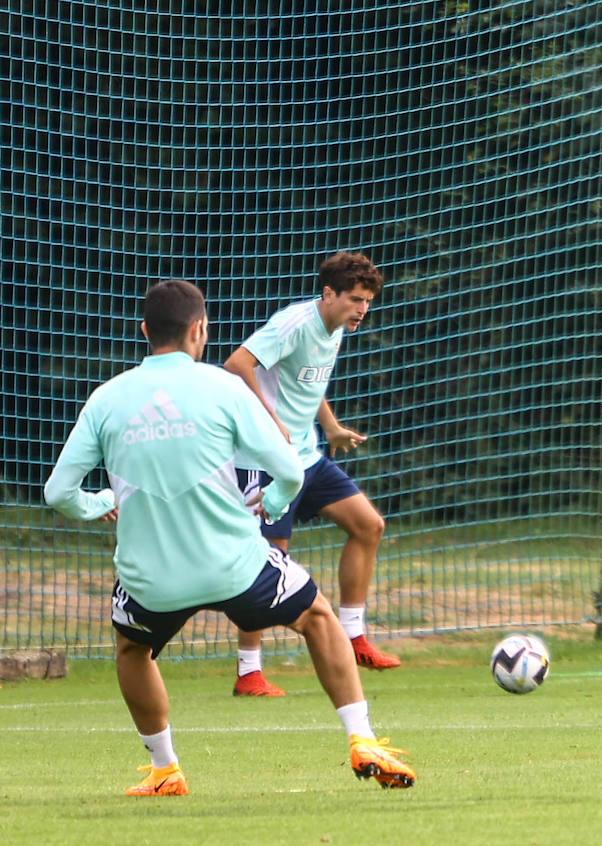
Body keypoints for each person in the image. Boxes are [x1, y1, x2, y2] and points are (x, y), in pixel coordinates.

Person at [43, 279, 415, 794]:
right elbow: (289, 469)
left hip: (152, 581)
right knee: (317, 616)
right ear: (200, 329)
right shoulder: (224, 387)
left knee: (131, 650)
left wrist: (100, 502)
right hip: (236, 567)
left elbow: (58, 492)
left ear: (145, 330)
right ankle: (363, 740)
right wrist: (276, 503)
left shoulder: (105, 399)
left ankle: (165, 770)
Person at [225, 251, 398, 697]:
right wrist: (268, 421)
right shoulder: (294, 324)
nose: (363, 309)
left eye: (368, 301)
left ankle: (354, 636)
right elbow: (236, 364)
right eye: (356, 299)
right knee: (267, 562)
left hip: (307, 457)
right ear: (329, 294)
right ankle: (249, 671)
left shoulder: (336, 328)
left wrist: (330, 426)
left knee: (369, 525)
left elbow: (307, 381)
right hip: (265, 461)